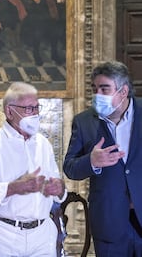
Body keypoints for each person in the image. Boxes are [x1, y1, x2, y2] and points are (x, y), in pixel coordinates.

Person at [0, 82, 66, 257]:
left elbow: (57, 185)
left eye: (36, 107)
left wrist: (59, 188)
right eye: (29, 109)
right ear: (9, 111)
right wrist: (16, 187)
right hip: (4, 233)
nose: (35, 114)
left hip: (42, 234)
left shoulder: (43, 143)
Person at [63, 61, 142, 257]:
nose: (97, 94)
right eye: (94, 88)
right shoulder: (83, 122)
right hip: (108, 223)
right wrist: (91, 161)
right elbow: (70, 168)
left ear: (123, 92)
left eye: (104, 89)